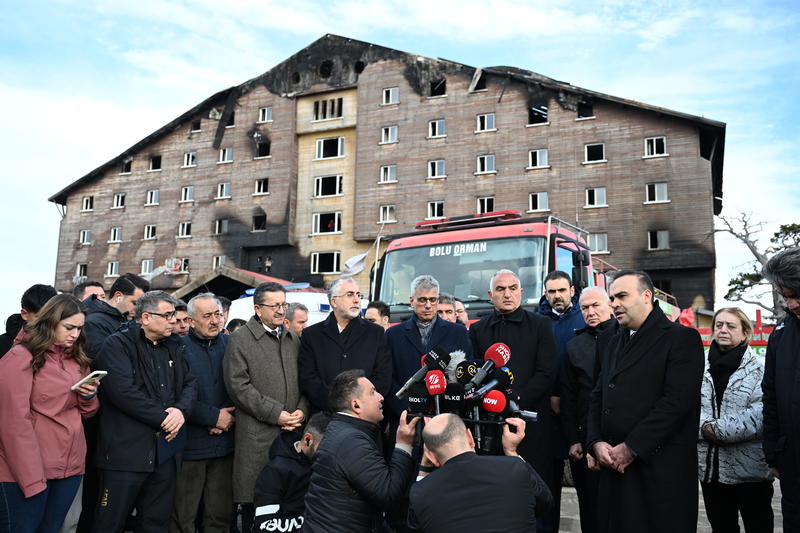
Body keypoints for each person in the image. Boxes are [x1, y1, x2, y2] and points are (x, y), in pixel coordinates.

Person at [587, 270, 704, 533]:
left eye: (622, 296)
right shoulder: (608, 340)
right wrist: (595, 441)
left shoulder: (682, 339)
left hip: (658, 472)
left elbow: (676, 403)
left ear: (647, 295)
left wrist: (631, 447)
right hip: (613, 470)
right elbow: (597, 394)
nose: (614, 303)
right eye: (611, 297)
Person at [92, 291, 197, 532]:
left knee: (155, 523)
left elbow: (191, 384)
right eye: (168, 314)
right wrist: (166, 420)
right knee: (110, 523)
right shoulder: (117, 344)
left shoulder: (175, 345)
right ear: (146, 317)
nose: (174, 320)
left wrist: (180, 411)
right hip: (124, 455)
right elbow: (123, 393)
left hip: (164, 454)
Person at [0, 294, 100, 533]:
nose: (75, 334)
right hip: (25, 472)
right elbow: (13, 425)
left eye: (79, 328)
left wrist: (88, 396)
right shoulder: (19, 357)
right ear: (49, 322)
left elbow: (87, 413)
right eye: (69, 327)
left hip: (69, 468)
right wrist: (32, 480)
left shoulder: (78, 359)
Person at [223, 282, 308, 533]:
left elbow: (305, 381)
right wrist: (275, 414)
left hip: (292, 432)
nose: (282, 310)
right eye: (275, 306)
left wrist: (302, 410)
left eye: (284, 304)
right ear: (258, 309)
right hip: (257, 437)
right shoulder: (240, 339)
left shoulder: (293, 338)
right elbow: (238, 386)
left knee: (290, 504)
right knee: (257, 505)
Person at [468, 269, 558, 506]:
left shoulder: (540, 325)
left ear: (521, 292)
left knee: (535, 489)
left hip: (531, 421)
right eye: (500, 289)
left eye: (512, 288)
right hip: (490, 422)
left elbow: (547, 372)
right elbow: (476, 373)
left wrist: (516, 399)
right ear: (490, 294)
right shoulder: (478, 329)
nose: (507, 294)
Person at [303, 370, 419, 532]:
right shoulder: (350, 442)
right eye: (373, 392)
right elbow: (388, 494)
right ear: (356, 405)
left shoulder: (343, 431)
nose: (381, 397)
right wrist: (403, 445)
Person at [408, 413, 553, 532]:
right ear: (470, 438)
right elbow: (546, 503)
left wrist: (423, 471)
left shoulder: (422, 491)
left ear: (431, 456)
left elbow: (414, 526)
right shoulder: (516, 469)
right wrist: (511, 451)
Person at [699, 307, 773, 532]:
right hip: (711, 471)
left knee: (758, 526)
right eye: (719, 325)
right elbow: (686, 404)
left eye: (730, 326)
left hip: (750, 472)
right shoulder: (700, 367)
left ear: (745, 333)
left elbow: (764, 410)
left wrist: (720, 430)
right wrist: (704, 425)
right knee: (721, 527)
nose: (722, 330)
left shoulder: (759, 370)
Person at [171, 294, 235, 533]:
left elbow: (243, 386)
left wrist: (229, 417)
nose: (215, 321)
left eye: (218, 315)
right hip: (191, 448)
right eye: (207, 315)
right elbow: (176, 395)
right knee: (183, 516)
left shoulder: (231, 345)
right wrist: (213, 417)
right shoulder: (177, 349)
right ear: (190, 321)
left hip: (226, 444)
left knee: (220, 515)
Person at [561, 287, 615, 533]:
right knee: (590, 508)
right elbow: (569, 397)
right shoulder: (574, 345)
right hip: (584, 437)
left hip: (620, 437)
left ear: (610, 305)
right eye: (585, 308)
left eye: (596, 306)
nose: (591, 312)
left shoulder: (626, 337)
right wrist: (573, 440)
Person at [537, 271, 585, 533]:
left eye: (562, 290)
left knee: (586, 483)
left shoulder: (584, 318)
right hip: (547, 412)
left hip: (578, 411)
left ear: (572, 290)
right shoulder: (537, 321)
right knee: (549, 483)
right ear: (546, 294)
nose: (557, 296)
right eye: (552, 291)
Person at [299, 277, 391, 413]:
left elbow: (383, 376)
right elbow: (308, 379)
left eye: (358, 295)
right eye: (350, 294)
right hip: (324, 416)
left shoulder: (375, 333)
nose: (356, 300)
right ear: (334, 301)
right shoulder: (312, 335)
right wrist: (338, 404)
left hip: (364, 417)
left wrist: (360, 405)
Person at [387, 276, 472, 421]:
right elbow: (388, 377)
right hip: (406, 417)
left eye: (432, 300)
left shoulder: (458, 332)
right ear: (411, 300)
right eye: (422, 300)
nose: (428, 305)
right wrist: (404, 409)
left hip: (447, 417)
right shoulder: (393, 334)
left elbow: (467, 374)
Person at [761, 246, 800, 530]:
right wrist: (774, 452)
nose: (792, 304)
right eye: (786, 297)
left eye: (796, 294)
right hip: (793, 461)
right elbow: (771, 396)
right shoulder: (781, 334)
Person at [253, 412, 331, 532]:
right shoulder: (276, 470)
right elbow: (265, 524)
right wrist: (314, 522)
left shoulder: (328, 464)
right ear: (307, 439)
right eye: (324, 447)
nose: (329, 453)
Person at [83, 273, 150, 360]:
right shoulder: (94, 322)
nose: (138, 310)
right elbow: (103, 361)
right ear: (118, 297)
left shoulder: (127, 320)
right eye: (134, 303)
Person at [0, 283, 58, 358]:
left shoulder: (64, 344)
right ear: (25, 314)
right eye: (41, 317)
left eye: (53, 317)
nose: (48, 322)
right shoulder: (2, 345)